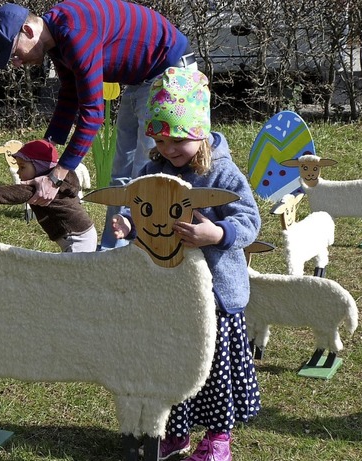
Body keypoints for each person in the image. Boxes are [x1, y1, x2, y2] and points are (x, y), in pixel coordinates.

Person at [111, 67, 261, 461]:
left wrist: (219, 235)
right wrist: (128, 223)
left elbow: (249, 220)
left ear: (200, 132)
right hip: (170, 291)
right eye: (160, 140)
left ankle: (218, 438)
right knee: (173, 363)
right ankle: (175, 433)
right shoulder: (152, 170)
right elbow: (137, 205)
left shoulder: (224, 173)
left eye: (178, 139)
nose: (169, 148)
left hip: (216, 297)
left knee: (213, 370)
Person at [0, 0, 197, 249]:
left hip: (170, 71)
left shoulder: (75, 34)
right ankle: (109, 252)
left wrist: (56, 177)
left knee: (145, 170)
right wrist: (46, 146)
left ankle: (144, 253)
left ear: (29, 31)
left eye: (15, 54)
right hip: (142, 78)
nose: (18, 63)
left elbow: (93, 115)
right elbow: (70, 94)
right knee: (120, 173)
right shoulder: (56, 42)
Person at [0, 139, 97, 253]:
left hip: (77, 238)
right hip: (81, 233)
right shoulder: (56, 182)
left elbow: (19, 193)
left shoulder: (45, 188)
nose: (19, 172)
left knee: (72, 272)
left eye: (22, 167)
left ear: (40, 167)